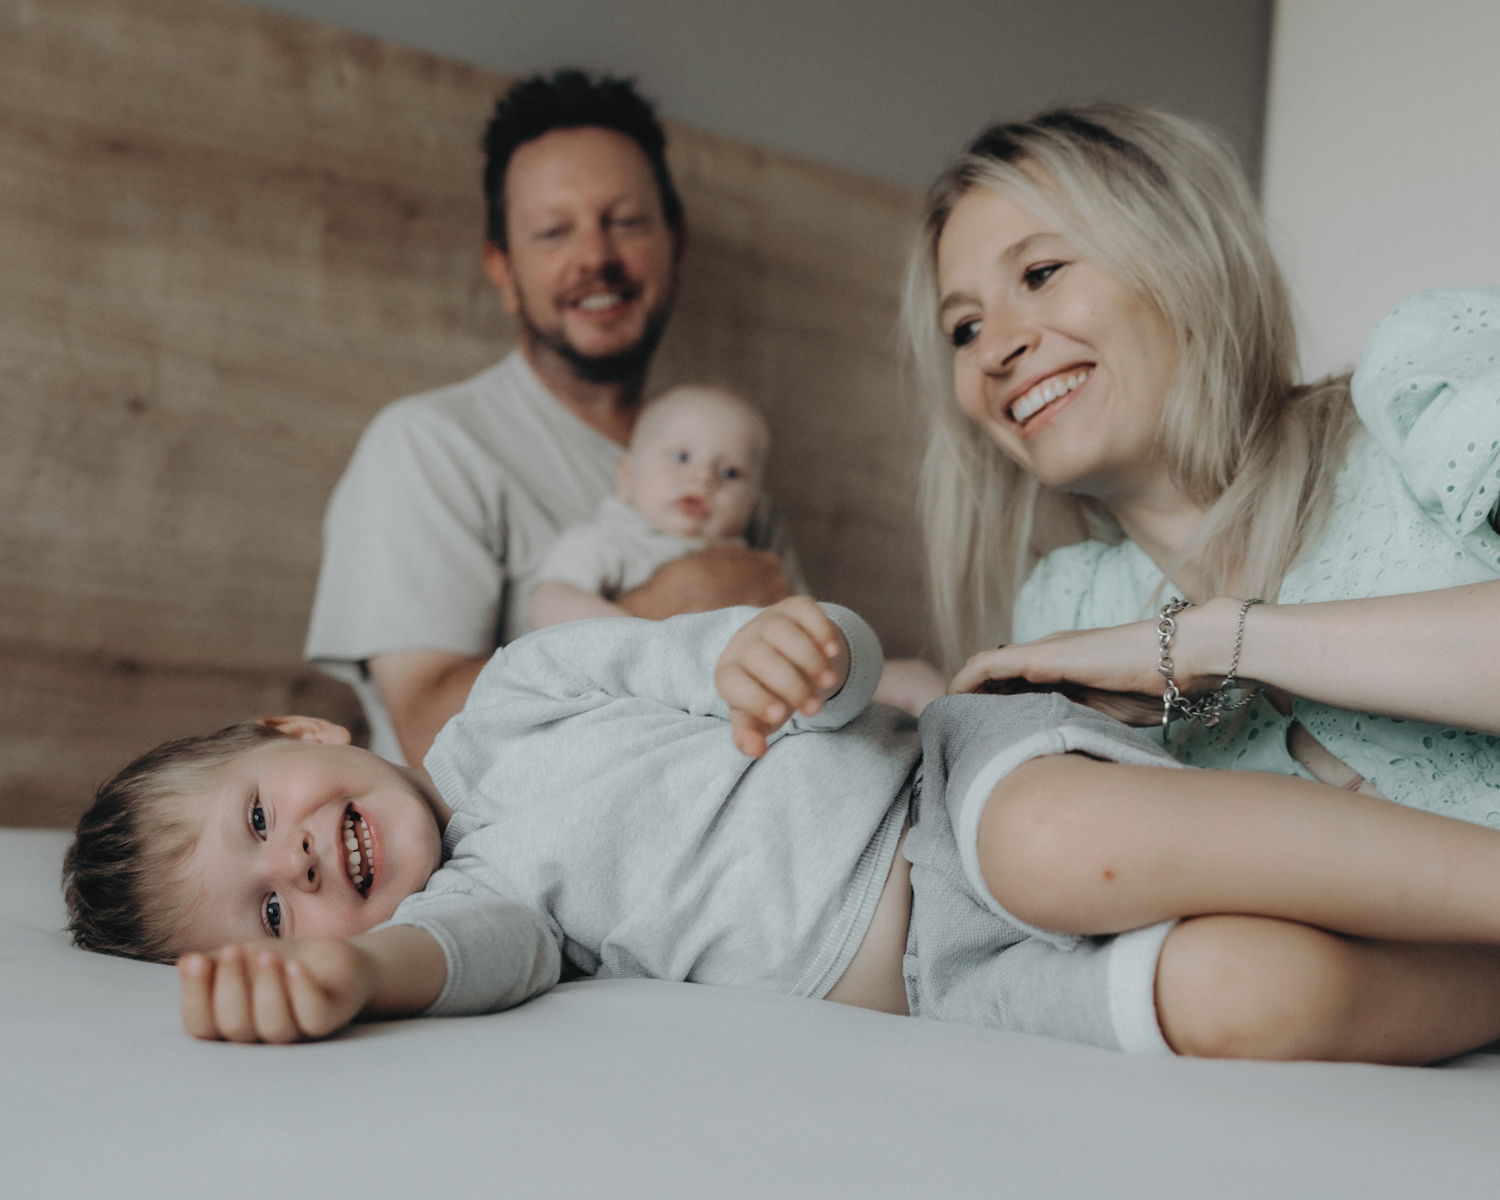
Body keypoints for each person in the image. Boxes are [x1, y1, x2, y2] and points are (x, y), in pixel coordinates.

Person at [63, 597, 1500, 1064]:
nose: (297, 863)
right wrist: (350, 978)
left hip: (945, 797)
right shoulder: (490, 905)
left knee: (1063, 849)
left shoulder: (520, 693)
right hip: (953, 985)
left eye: (262, 817)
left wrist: (793, 648)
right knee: (1252, 997)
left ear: (304, 731)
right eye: (271, 909)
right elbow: (457, 958)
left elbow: (760, 655)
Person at [903, 103, 1500, 824]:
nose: (996, 350)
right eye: (964, 329)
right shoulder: (1068, 612)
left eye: (1040, 272)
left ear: (1180, 254)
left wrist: (1215, 643)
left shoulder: (1421, 390)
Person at [305, 70, 799, 769]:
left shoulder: (730, 477)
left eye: (625, 222)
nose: (595, 257)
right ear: (503, 270)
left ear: (676, 246)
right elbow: (430, 730)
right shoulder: (428, 446)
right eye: (552, 231)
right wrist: (665, 607)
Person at [530, 385, 771, 628]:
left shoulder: (753, 567)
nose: (704, 477)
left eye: (729, 472)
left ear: (752, 506)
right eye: (681, 457)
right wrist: (627, 631)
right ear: (627, 477)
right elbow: (550, 601)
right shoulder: (607, 541)